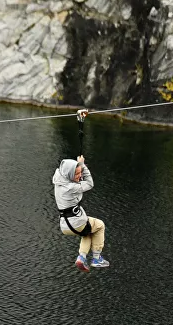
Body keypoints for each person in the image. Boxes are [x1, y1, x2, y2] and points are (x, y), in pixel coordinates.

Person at [52, 109, 109, 272]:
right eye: (76, 174)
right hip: (76, 221)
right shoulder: (72, 187)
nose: (78, 176)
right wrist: (83, 166)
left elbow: (65, 167)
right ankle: (97, 258)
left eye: (78, 174)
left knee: (87, 232)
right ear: (70, 175)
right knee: (100, 225)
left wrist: (76, 166)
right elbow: (90, 183)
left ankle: (82, 258)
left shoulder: (60, 179)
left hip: (65, 225)